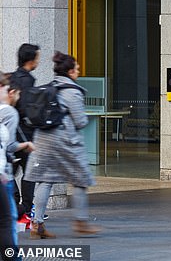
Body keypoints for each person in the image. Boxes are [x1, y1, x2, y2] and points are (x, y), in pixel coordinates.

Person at [25, 51, 100, 239]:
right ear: (70, 71)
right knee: (80, 179)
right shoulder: (72, 91)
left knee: (45, 180)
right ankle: (81, 222)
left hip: (43, 139)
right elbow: (81, 121)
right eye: (77, 68)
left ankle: (37, 225)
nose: (79, 70)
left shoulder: (52, 86)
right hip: (64, 142)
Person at [1, 72, 32, 261]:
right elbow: (10, 144)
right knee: (7, 222)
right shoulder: (8, 112)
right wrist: (26, 145)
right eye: (5, 88)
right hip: (2, 178)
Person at [10, 43, 40, 221]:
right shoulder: (27, 80)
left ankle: (15, 204)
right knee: (29, 173)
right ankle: (24, 208)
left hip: (13, 134)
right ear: (31, 60)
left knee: (10, 170)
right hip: (25, 134)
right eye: (37, 57)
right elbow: (27, 110)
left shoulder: (13, 77)